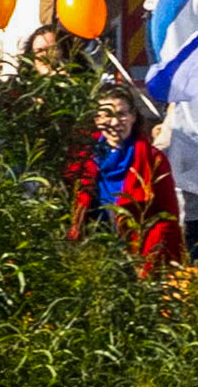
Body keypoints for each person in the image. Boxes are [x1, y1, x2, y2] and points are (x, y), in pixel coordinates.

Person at [72, 83, 183, 271]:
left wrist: (151, 264)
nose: (115, 123)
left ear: (133, 117)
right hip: (96, 256)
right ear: (96, 119)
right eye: (107, 115)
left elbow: (166, 218)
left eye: (121, 114)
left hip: (140, 257)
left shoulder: (152, 160)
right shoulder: (83, 160)